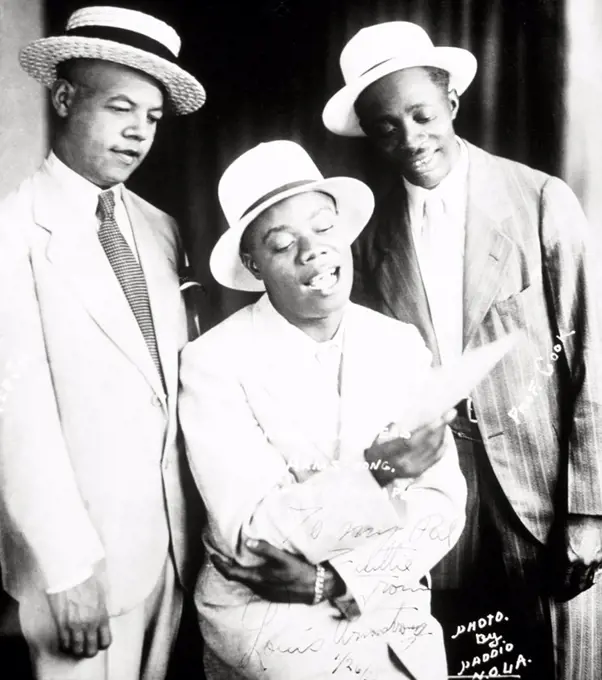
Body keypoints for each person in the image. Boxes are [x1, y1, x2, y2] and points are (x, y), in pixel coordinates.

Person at [318, 20, 602, 680]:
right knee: (457, 661)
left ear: (451, 101)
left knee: (561, 663)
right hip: (433, 502)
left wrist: (589, 511)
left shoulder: (539, 199)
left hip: (541, 499)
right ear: (368, 131)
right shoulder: (366, 242)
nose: (409, 138)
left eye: (421, 114)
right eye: (386, 126)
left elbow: (593, 359)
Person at [178, 140, 467, 680]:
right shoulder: (212, 362)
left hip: (390, 620)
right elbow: (254, 533)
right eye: (283, 243)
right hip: (269, 633)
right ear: (252, 263)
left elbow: (442, 507)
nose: (314, 252)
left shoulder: (400, 344)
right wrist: (383, 472)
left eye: (325, 229)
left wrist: (338, 579)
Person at [0, 6, 206, 679]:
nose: (138, 133)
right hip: (76, 576)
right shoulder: (14, 232)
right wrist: (65, 567)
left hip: (171, 554)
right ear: (64, 98)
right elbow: (16, 417)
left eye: (151, 117)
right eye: (121, 107)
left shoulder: (159, 227)